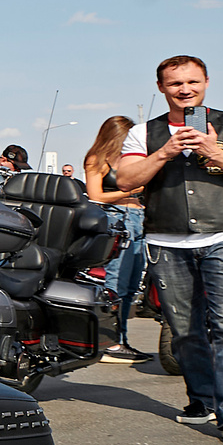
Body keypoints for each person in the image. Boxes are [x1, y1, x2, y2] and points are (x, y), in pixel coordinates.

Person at [114, 55, 223, 444]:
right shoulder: (143, 133)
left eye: (192, 82)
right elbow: (125, 178)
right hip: (167, 240)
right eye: (175, 84)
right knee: (184, 331)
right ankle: (202, 401)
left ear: (205, 83)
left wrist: (214, 151)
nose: (185, 90)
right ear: (161, 88)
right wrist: (165, 152)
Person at [81, 114, 148, 363]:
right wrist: (129, 191)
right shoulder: (96, 159)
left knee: (131, 287)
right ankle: (110, 341)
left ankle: (121, 339)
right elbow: (95, 195)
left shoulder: (131, 159)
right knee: (116, 283)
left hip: (139, 218)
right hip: (118, 219)